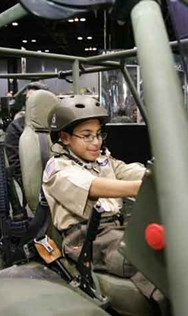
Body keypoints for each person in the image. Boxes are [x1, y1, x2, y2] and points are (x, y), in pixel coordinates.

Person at [42, 95, 147, 281]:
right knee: (144, 261)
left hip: (116, 228)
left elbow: (126, 170)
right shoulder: (57, 168)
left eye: (98, 134)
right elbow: (91, 186)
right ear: (65, 137)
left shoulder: (100, 158)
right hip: (84, 238)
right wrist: (142, 188)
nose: (96, 142)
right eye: (87, 135)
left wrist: (158, 176)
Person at [5, 81, 49, 186]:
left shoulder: (55, 124)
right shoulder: (16, 127)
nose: (29, 103)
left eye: (33, 99)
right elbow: (15, 164)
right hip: (31, 183)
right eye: (27, 99)